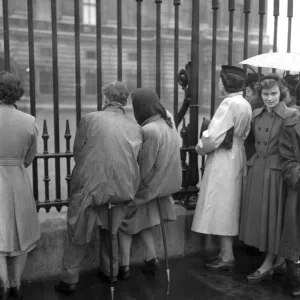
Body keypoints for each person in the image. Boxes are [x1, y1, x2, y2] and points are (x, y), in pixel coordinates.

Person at [55, 81, 143, 294]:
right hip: (122, 187)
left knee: (77, 231)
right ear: (124, 102)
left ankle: (69, 279)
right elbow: (137, 158)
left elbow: (79, 151)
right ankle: (110, 272)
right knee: (111, 231)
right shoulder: (135, 127)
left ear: (105, 98)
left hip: (91, 185)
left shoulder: (90, 119)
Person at [191, 65, 252, 271]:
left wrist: (200, 147)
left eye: (219, 80)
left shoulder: (228, 104)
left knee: (221, 204)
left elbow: (213, 136)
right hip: (237, 153)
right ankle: (226, 252)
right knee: (230, 203)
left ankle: (227, 255)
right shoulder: (244, 103)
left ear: (226, 83)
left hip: (224, 158)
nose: (218, 84)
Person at [239, 73, 299, 283]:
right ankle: (277, 262)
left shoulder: (292, 114)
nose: (269, 98)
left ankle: (270, 263)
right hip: (258, 171)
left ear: (281, 93)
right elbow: (250, 141)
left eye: (273, 93)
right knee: (261, 218)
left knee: (274, 218)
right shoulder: (255, 114)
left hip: (278, 174)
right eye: (265, 94)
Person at [118, 88, 182, 277]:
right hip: (165, 183)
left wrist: (127, 186)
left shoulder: (150, 130)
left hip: (150, 186)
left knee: (122, 219)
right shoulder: (167, 120)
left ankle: (124, 267)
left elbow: (143, 168)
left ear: (142, 108)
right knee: (143, 218)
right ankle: (151, 258)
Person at [0, 71, 40, 300]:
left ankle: (4, 283)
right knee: (23, 232)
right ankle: (17, 282)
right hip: (17, 177)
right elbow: (30, 156)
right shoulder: (29, 121)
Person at [278, 112, 300, 297]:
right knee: (295, 235)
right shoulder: (290, 126)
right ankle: (296, 278)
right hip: (298, 187)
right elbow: (287, 160)